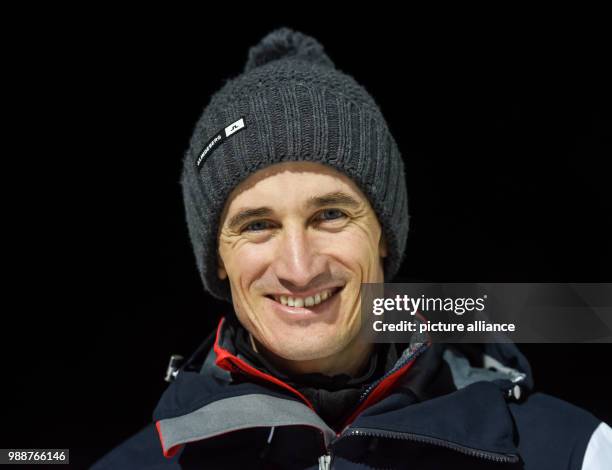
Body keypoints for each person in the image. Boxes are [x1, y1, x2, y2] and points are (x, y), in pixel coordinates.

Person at [92, 27, 612, 469]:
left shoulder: (573, 451)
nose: (299, 267)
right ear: (219, 263)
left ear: (385, 233)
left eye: (331, 214)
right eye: (257, 225)